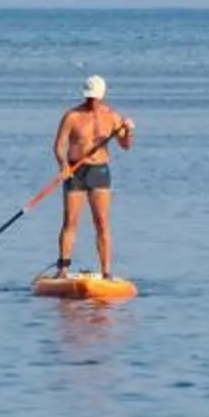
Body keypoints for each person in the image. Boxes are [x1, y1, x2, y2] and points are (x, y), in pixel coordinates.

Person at [51, 76, 135, 278]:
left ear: (102, 95)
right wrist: (63, 165)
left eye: (95, 98)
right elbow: (58, 145)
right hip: (75, 171)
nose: (91, 102)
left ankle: (106, 272)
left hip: (99, 171)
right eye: (89, 98)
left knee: (102, 222)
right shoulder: (72, 116)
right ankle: (63, 269)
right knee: (70, 221)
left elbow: (126, 146)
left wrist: (128, 132)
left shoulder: (113, 117)